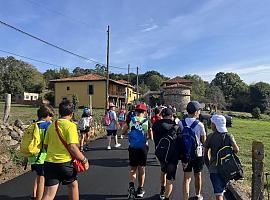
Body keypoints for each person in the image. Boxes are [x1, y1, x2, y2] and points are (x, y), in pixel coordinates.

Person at [42, 100, 89, 200]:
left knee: (49, 195)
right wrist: (84, 160)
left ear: (59, 112)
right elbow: (72, 147)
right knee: (73, 186)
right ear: (72, 114)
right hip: (64, 163)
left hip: (49, 163)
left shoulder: (51, 125)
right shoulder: (70, 126)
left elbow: (46, 145)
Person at [204, 115, 239, 200]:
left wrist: (208, 165)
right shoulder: (229, 136)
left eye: (212, 123)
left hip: (214, 168)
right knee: (222, 190)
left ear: (215, 125)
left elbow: (205, 152)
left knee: (218, 193)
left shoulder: (210, 136)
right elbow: (236, 149)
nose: (210, 125)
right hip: (227, 168)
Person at [23, 105, 54, 200]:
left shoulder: (33, 125)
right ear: (47, 115)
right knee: (42, 179)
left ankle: (34, 194)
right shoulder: (47, 126)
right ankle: (39, 198)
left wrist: (25, 158)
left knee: (38, 175)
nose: (51, 118)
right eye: (51, 116)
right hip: (42, 157)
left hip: (32, 156)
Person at [179, 101, 206, 200]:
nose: (199, 111)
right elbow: (204, 140)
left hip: (185, 153)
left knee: (186, 177)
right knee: (198, 175)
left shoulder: (181, 123)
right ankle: (198, 195)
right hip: (197, 153)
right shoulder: (200, 125)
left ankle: (185, 198)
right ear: (195, 112)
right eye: (199, 110)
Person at [152, 108, 180, 200]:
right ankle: (166, 197)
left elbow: (154, 138)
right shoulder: (175, 126)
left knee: (163, 171)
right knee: (170, 178)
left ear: (162, 115)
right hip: (173, 155)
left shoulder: (156, 124)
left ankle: (162, 190)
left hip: (160, 153)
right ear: (171, 115)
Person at [127, 103, 153, 199]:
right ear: (145, 112)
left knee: (133, 169)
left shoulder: (131, 120)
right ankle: (140, 189)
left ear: (136, 111)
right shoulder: (147, 121)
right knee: (142, 169)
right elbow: (150, 135)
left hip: (132, 147)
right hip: (142, 147)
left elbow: (124, 131)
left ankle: (131, 188)